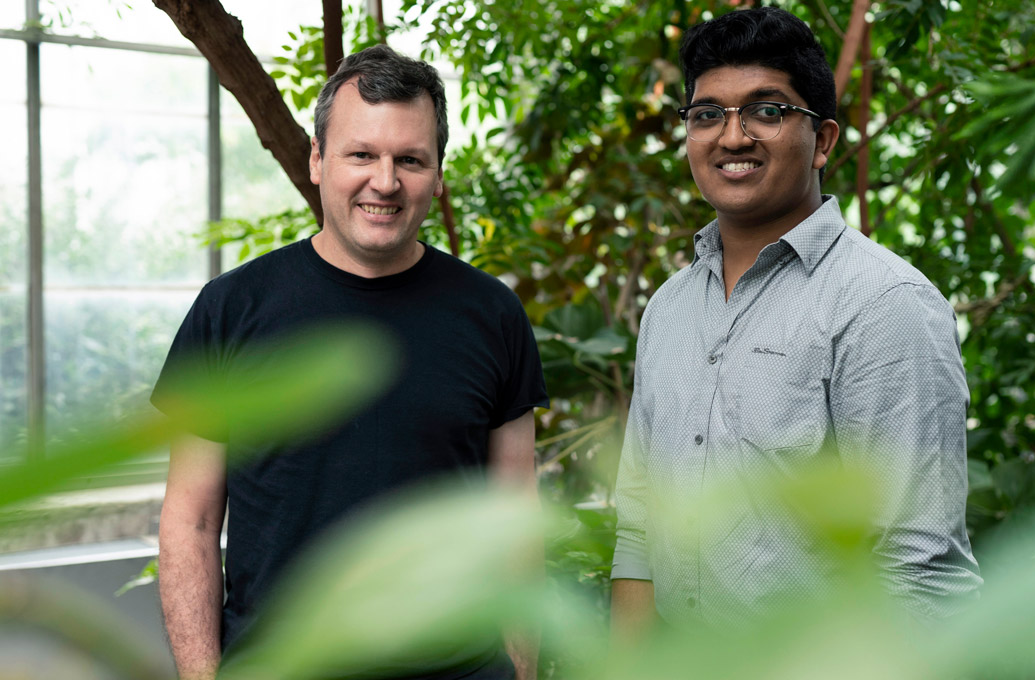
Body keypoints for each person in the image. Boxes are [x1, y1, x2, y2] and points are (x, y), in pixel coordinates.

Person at [154, 45, 546, 680]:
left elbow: (515, 519)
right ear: (317, 159)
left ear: (438, 173)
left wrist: (522, 670)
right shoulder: (231, 310)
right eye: (361, 154)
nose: (385, 182)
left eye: (410, 160)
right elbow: (191, 523)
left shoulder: (493, 314)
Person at [610, 7, 982, 636]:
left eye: (767, 110)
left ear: (824, 141)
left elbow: (920, 571)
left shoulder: (884, 304)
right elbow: (643, 525)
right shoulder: (668, 309)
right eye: (708, 115)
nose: (733, 137)